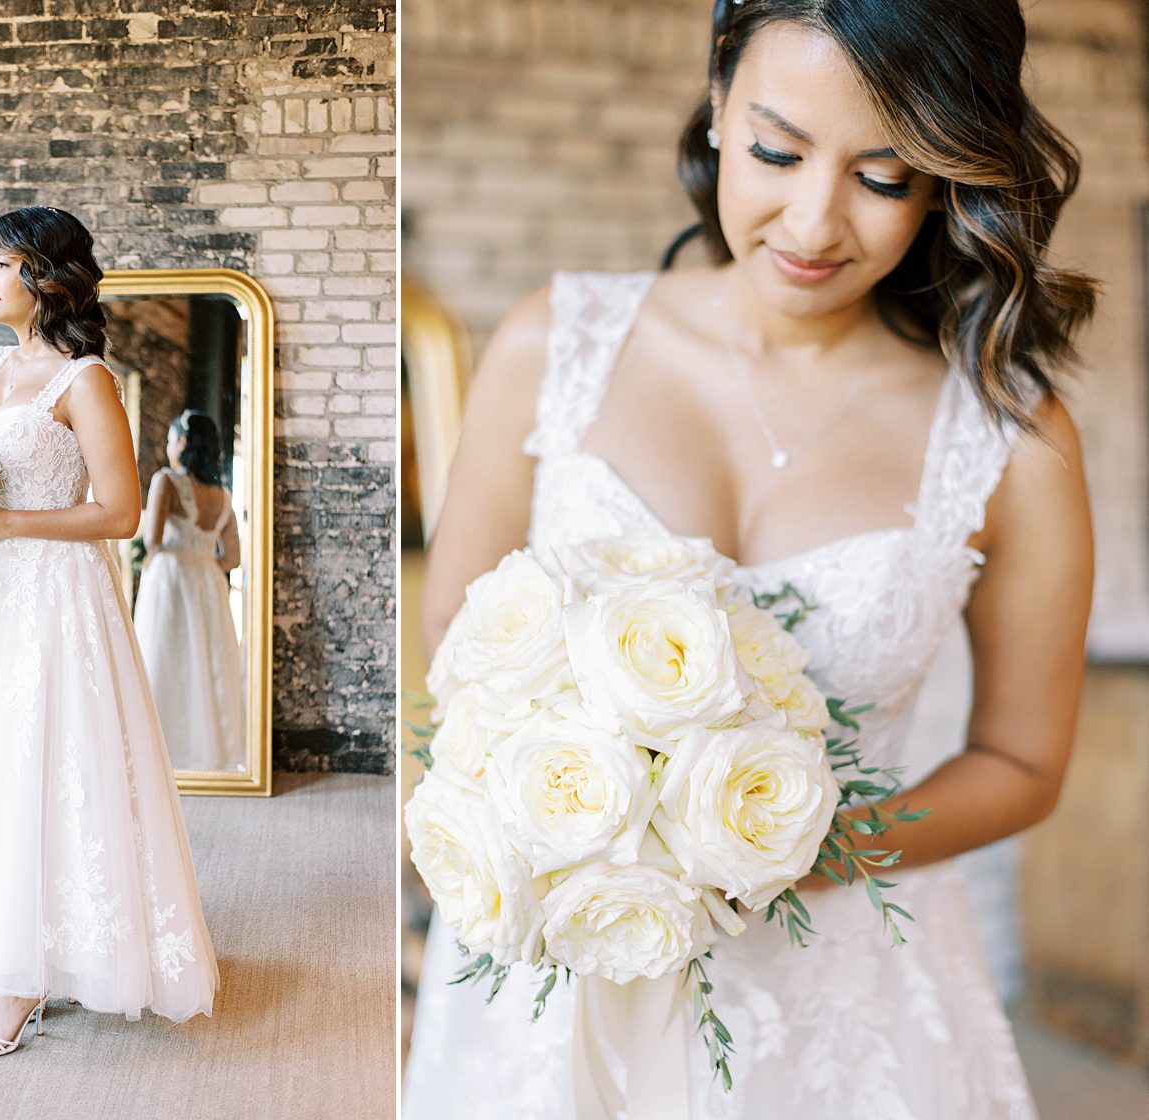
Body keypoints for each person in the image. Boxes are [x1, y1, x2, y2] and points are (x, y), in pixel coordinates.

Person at [404, 0, 1095, 1116]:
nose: (815, 222)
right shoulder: (553, 344)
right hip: (558, 978)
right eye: (777, 150)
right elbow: (455, 640)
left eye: (885, 175)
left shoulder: (1010, 436)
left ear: (947, 180)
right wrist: (578, 807)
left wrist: (775, 847)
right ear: (720, 103)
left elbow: (1023, 761)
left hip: (843, 998)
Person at [0, 205, 219, 1059]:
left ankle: (26, 979)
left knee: (61, 761)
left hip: (61, 598)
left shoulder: (87, 381)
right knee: (3, 764)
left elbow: (117, 513)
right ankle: (22, 948)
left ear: (44, 276)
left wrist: (6, 520)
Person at [133, 410, 247, 772]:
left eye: (170, 439)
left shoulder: (166, 481)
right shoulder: (222, 496)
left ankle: (162, 752)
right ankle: (211, 751)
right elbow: (232, 557)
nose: (168, 447)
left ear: (182, 442)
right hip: (207, 581)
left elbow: (151, 539)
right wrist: (204, 563)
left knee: (164, 657)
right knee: (206, 661)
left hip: (170, 576)